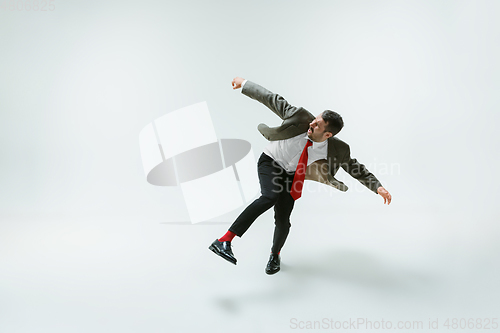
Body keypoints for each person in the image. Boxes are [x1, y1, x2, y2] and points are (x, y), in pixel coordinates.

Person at [209, 77, 392, 275]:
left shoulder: (337, 149)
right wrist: (245, 84)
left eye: (317, 125)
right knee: (269, 197)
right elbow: (272, 99)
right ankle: (224, 240)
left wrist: (377, 186)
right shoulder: (299, 117)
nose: (312, 123)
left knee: (283, 220)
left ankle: (275, 254)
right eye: (315, 119)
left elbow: (355, 167)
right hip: (270, 161)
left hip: (291, 175)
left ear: (328, 134)